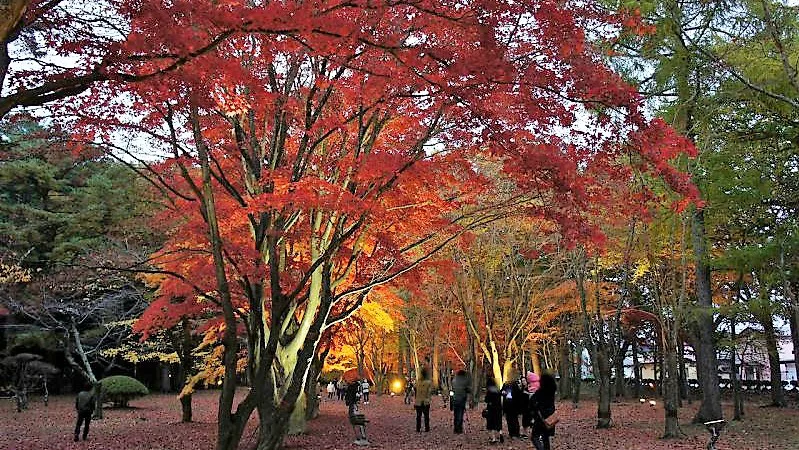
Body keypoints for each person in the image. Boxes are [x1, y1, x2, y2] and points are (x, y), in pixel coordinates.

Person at [529, 373, 557, 450]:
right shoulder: (552, 391)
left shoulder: (540, 392)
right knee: (545, 437)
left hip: (541, 417)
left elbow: (532, 402)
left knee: (534, 437)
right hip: (550, 416)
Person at [501, 369, 524, 439]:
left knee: (514, 420)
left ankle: (516, 433)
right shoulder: (506, 384)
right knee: (509, 420)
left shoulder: (515, 384)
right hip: (507, 404)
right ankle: (511, 433)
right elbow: (501, 391)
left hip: (514, 405)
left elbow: (519, 395)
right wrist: (503, 392)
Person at [484, 375, 503, 444]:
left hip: (491, 409)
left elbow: (486, 400)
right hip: (498, 408)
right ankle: (500, 433)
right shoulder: (497, 390)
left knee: (491, 424)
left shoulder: (489, 391)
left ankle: (494, 438)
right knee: (498, 422)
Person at [451, 369, 471, 434]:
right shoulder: (464, 381)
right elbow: (468, 389)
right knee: (460, 414)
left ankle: (455, 428)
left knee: (456, 414)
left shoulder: (454, 380)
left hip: (455, 399)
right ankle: (459, 429)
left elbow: (452, 390)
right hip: (462, 399)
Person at [414, 368, 433, 432]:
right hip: (425, 401)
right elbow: (429, 392)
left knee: (418, 416)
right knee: (426, 416)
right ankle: (427, 428)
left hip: (418, 401)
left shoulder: (417, 382)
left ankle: (418, 428)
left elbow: (415, 391)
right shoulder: (428, 383)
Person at [522, 372, 540, 437]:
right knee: (526, 420)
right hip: (527, 406)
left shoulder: (535, 385)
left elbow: (534, 394)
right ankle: (526, 433)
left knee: (535, 419)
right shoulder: (531, 385)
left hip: (533, 405)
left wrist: (528, 393)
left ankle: (537, 434)